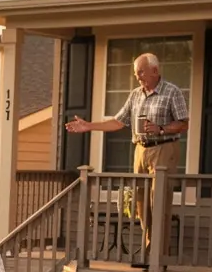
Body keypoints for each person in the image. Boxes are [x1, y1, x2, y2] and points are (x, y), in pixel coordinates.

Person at [65, 51, 189, 253]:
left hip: (164, 148)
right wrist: (88, 126)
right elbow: (117, 121)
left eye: (141, 72)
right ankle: (149, 249)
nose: (137, 76)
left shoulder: (172, 92)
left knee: (158, 202)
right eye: (135, 73)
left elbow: (184, 123)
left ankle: (158, 254)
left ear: (155, 71)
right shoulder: (135, 94)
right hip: (140, 150)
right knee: (141, 202)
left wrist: (161, 128)